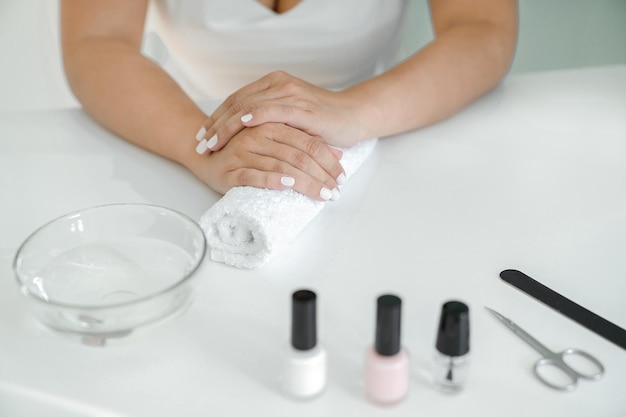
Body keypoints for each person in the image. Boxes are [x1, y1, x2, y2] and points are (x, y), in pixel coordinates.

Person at [60, 0, 517, 202]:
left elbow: (482, 26)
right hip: (173, 127)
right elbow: (97, 40)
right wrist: (201, 143)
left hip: (379, 127)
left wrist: (354, 110)